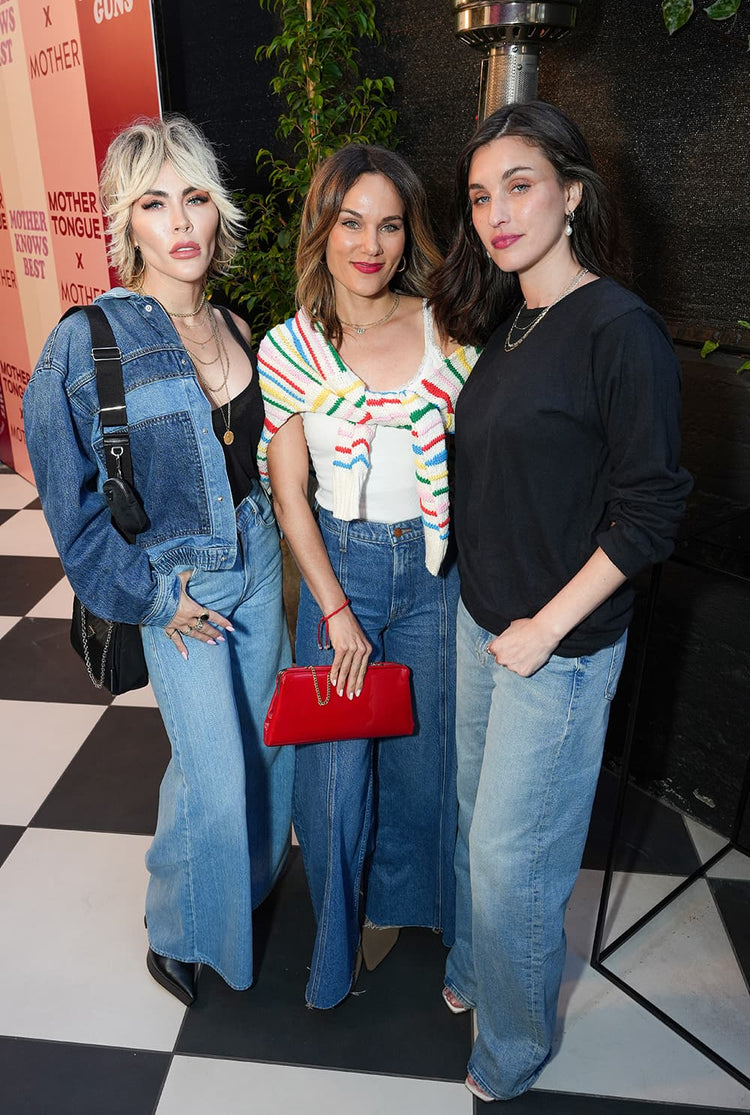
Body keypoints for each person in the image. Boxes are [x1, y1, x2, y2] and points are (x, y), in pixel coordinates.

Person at [429, 101, 692, 1101]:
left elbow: (651, 510)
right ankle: (475, 966)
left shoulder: (619, 329)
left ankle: (514, 1043)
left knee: (516, 860)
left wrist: (545, 626)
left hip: (560, 647)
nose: (495, 213)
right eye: (479, 196)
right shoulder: (511, 324)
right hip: (484, 623)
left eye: (520, 186)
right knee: (474, 820)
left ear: (572, 193)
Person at [23, 115, 294, 1007]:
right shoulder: (87, 339)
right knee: (214, 775)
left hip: (258, 560)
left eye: (195, 198)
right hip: (179, 592)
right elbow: (72, 509)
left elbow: (256, 463)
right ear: (125, 222)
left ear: (218, 212)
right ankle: (177, 927)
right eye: (153, 203)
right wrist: (148, 598)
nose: (180, 221)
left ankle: (242, 889)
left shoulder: (235, 324)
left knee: (265, 747)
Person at [257, 144, 477, 1009]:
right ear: (323, 226)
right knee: (336, 774)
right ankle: (335, 945)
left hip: (432, 568)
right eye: (351, 222)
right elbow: (289, 498)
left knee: (427, 758)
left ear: (409, 233)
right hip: (337, 569)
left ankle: (414, 907)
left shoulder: (445, 327)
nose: (370, 244)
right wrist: (335, 610)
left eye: (389, 225)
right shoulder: (291, 348)